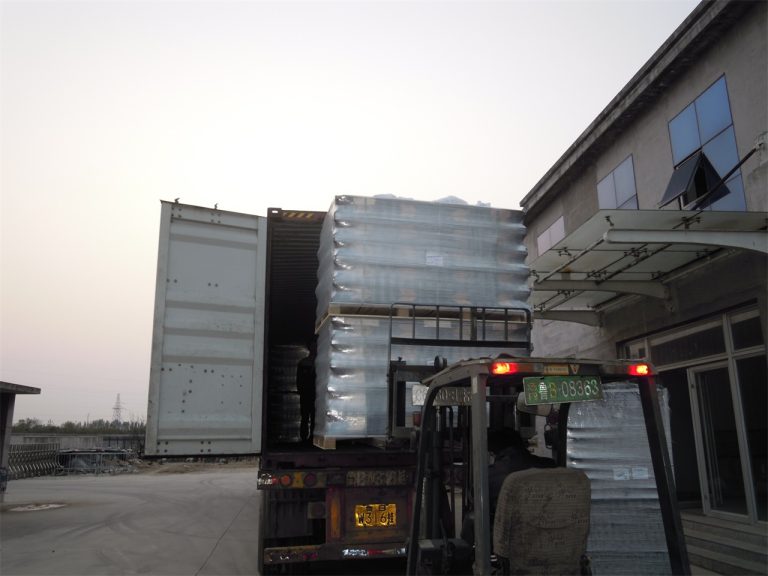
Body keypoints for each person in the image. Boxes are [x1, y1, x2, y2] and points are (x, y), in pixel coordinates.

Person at [296, 338, 317, 443]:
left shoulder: (322, 362)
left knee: (315, 417)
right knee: (304, 416)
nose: (314, 348)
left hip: (317, 395)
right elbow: (299, 380)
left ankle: (313, 437)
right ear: (309, 348)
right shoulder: (303, 363)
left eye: (315, 346)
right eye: (312, 346)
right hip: (306, 394)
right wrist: (301, 391)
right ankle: (303, 437)